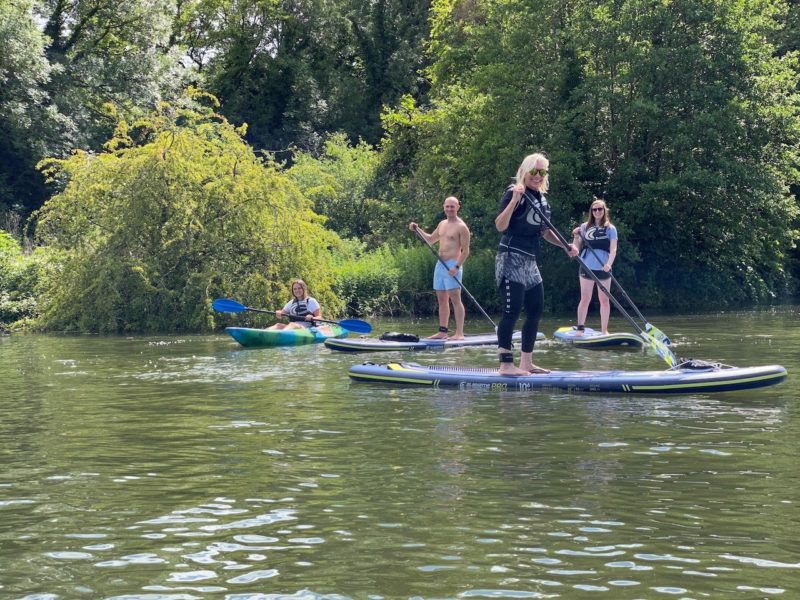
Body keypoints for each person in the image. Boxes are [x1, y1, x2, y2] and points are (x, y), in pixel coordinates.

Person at [495, 153, 578, 376]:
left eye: (542, 172)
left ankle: (526, 363)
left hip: (530, 261)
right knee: (511, 312)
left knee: (535, 310)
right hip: (511, 257)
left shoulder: (542, 199)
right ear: (525, 171)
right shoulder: (515, 193)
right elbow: (500, 225)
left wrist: (565, 245)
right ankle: (505, 365)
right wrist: (514, 200)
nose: (538, 176)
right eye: (534, 171)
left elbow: (545, 231)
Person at [409, 196, 471, 340]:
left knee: (455, 298)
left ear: (458, 207)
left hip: (452, 265)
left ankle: (459, 333)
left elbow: (466, 251)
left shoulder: (462, 227)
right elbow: (430, 240)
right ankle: (443, 332)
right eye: (447, 206)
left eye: (452, 206)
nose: (449, 209)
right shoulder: (442, 223)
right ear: (444, 207)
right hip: (440, 265)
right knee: (442, 299)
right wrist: (417, 229)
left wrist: (456, 267)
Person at [572, 198, 618, 335]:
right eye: (594, 209)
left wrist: (609, 264)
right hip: (587, 266)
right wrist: (575, 236)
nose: (597, 211)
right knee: (585, 298)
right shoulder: (584, 227)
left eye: (600, 209)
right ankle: (580, 328)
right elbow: (576, 247)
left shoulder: (611, 228)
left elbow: (613, 249)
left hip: (604, 268)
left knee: (604, 300)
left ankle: (604, 331)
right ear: (591, 212)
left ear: (604, 211)